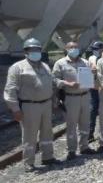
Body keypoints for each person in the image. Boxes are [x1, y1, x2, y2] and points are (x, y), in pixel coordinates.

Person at [3, 38, 61, 172]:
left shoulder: (45, 66)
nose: (35, 52)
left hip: (46, 104)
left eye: (37, 49)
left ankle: (48, 157)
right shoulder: (17, 67)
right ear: (26, 52)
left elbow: (51, 85)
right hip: (30, 106)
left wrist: (54, 101)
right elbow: (10, 89)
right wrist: (15, 109)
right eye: (32, 50)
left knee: (47, 133)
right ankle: (28, 162)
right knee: (29, 135)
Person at [52, 41, 96, 160]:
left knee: (85, 123)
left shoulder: (85, 62)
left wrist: (93, 74)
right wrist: (67, 83)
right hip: (71, 98)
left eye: (76, 47)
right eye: (71, 47)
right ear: (66, 49)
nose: (74, 49)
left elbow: (90, 79)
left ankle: (84, 147)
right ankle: (71, 150)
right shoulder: (60, 63)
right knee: (71, 125)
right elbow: (54, 80)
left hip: (85, 96)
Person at [88, 40, 103, 142]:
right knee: (93, 111)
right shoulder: (91, 58)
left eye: (98, 49)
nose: (96, 51)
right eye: (94, 49)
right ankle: (90, 133)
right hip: (94, 88)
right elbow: (89, 70)